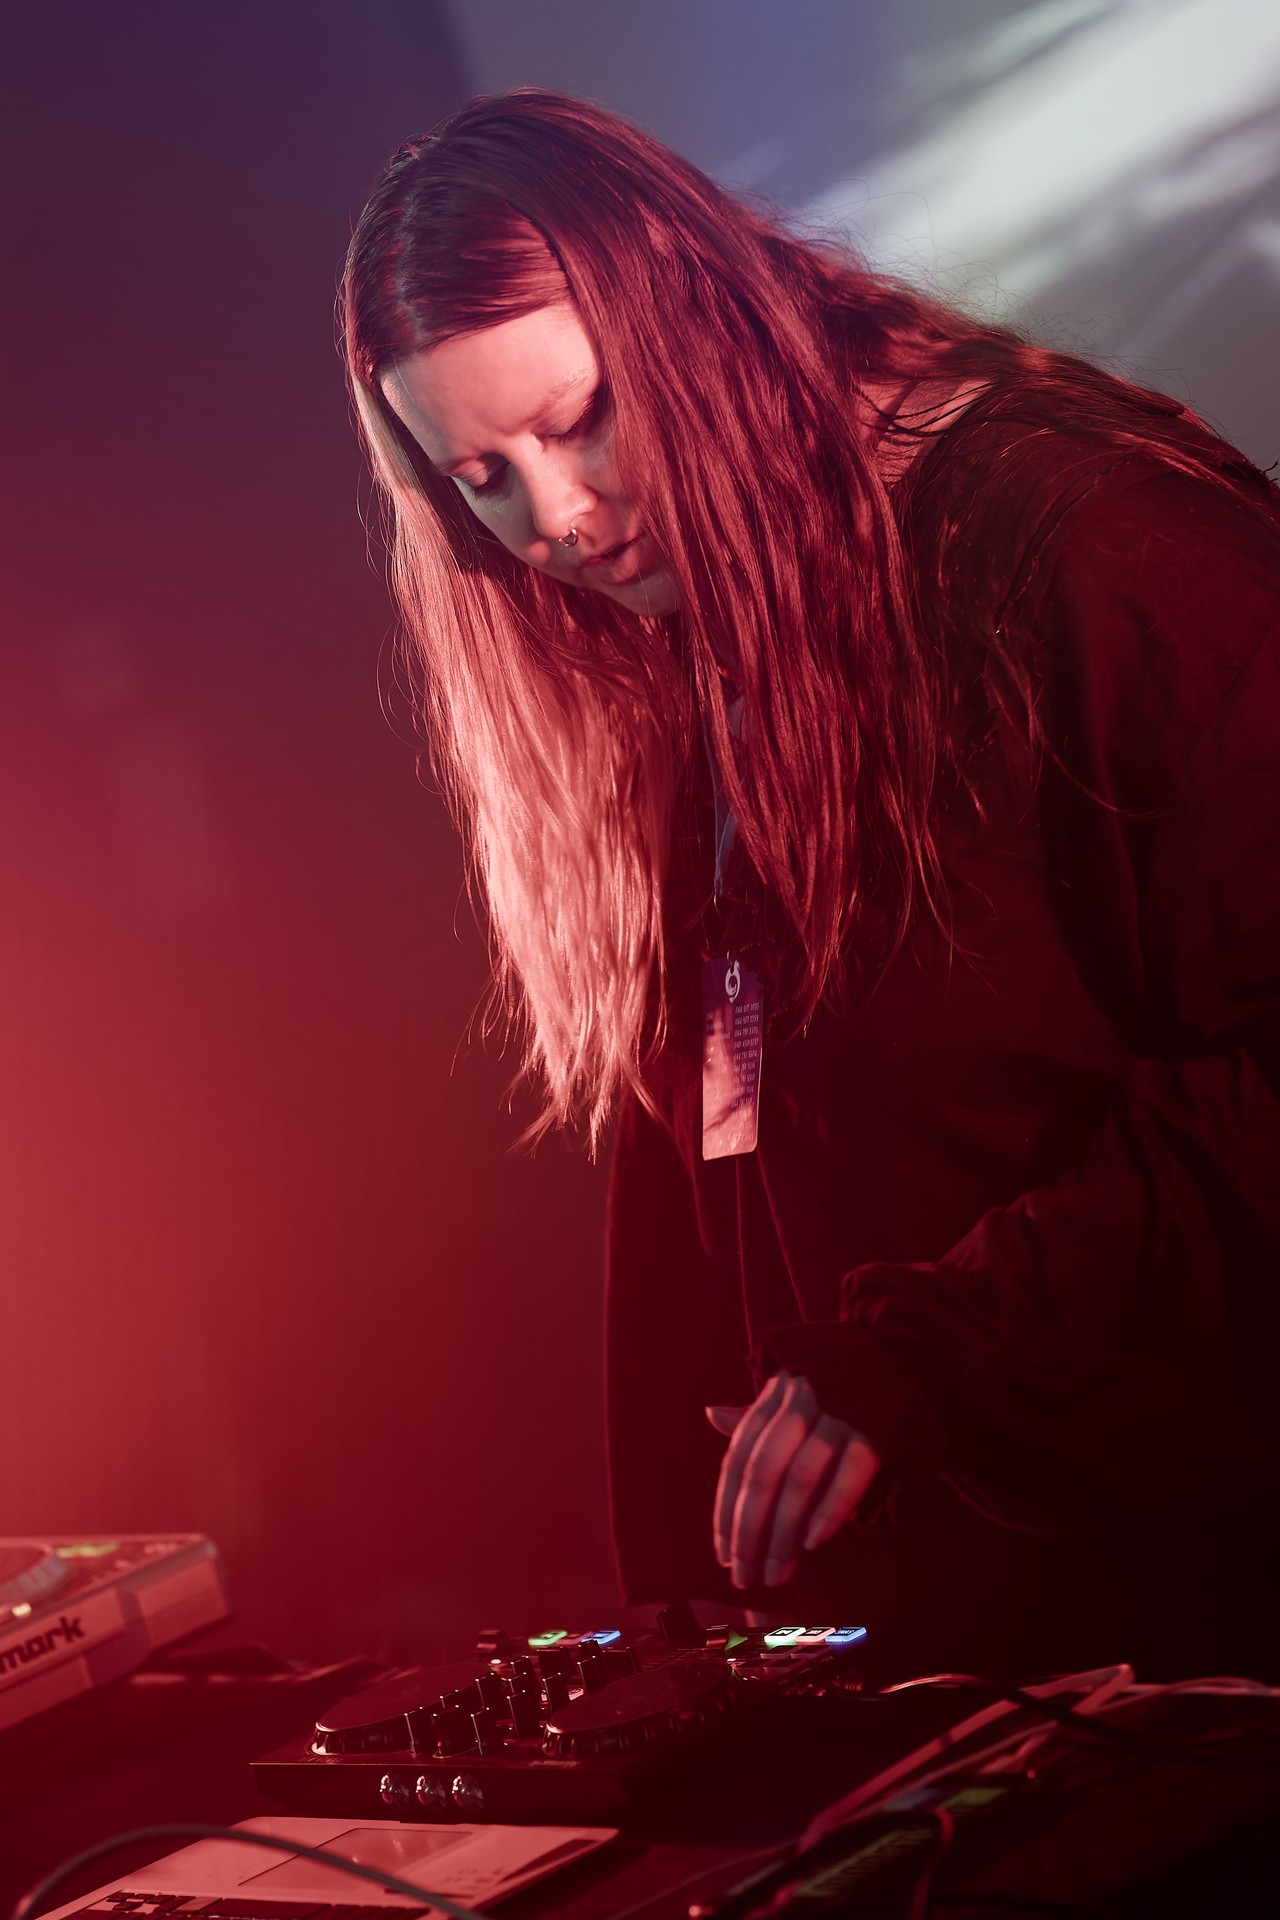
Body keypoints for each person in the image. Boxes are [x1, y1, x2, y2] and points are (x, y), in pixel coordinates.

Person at [342, 89, 1280, 1680]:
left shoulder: (1114, 553)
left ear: (702, 319)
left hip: (1202, 1633)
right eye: (484, 477)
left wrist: (933, 1353)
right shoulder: (716, 619)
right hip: (960, 1651)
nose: (556, 521)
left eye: (583, 419)